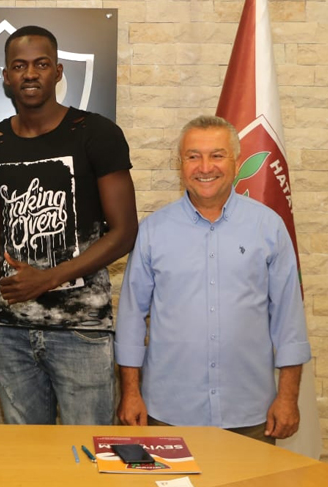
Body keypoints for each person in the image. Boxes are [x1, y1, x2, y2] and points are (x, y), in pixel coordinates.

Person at [0, 25, 138, 425]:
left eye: (41, 64)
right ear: (6, 76)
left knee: (87, 452)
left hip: (81, 331)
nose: (30, 74)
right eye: (19, 66)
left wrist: (48, 279)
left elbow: (125, 232)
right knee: (27, 456)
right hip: (9, 335)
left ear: (58, 71)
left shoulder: (96, 134)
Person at [115, 115, 311, 444]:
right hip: (168, 413)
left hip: (251, 414)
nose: (205, 167)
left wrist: (288, 398)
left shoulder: (269, 227)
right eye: (193, 156)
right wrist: (130, 392)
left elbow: (289, 320)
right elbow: (132, 318)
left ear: (236, 162)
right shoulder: (152, 231)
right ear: (181, 164)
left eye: (217, 155)